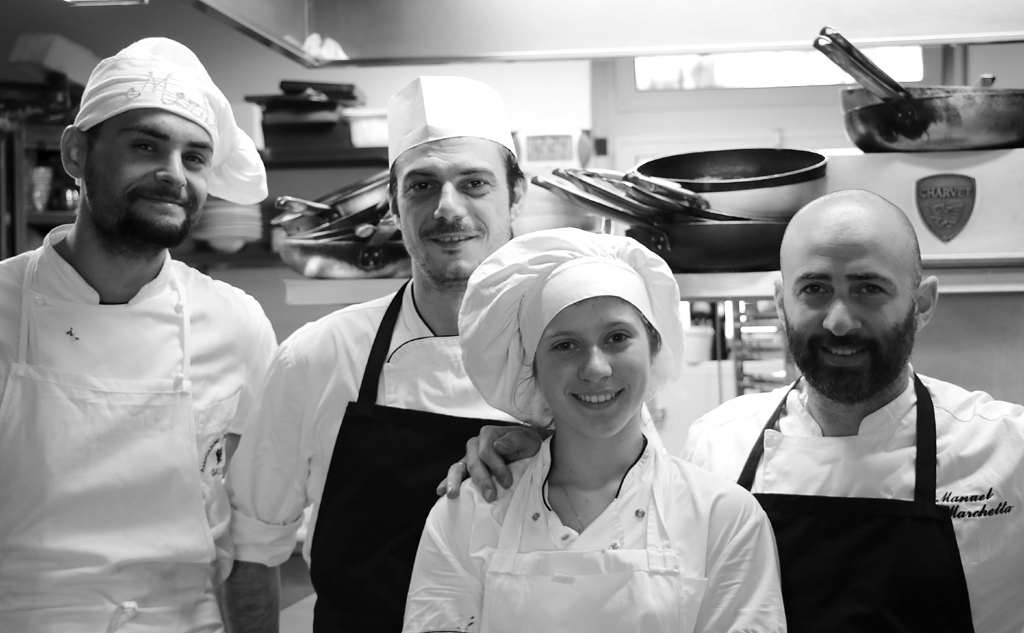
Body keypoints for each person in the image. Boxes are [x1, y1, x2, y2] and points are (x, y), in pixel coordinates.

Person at [456, 190, 1024, 633]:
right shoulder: (720, 444)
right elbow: (607, 494)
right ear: (780, 303)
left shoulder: (1008, 453)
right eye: (815, 290)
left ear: (921, 304)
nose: (839, 320)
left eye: (869, 289)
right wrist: (536, 452)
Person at [223, 76, 529, 633]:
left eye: (475, 183)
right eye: (421, 186)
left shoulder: (571, 360)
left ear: (517, 195)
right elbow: (252, 551)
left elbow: (639, 523)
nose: (447, 208)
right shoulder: (319, 357)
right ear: (393, 204)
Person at [0, 38, 276, 632]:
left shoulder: (237, 324)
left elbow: (254, 533)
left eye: (195, 157)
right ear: (77, 153)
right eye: (146, 145)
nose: (172, 175)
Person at [403, 227, 786, 632]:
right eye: (564, 345)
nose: (595, 368)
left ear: (654, 347)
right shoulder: (471, 512)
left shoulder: (723, 518)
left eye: (617, 338)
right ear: (531, 367)